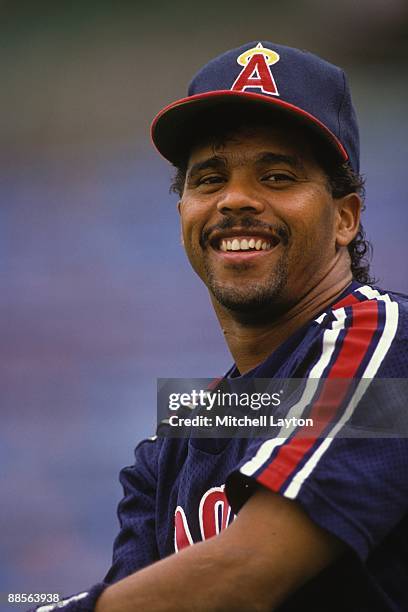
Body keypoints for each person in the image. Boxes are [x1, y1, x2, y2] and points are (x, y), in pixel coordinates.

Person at [32, 41, 408, 612]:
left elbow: (248, 574)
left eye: (277, 176)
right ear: (182, 210)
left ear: (345, 218)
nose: (235, 199)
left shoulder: (386, 338)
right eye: (208, 179)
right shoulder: (178, 436)